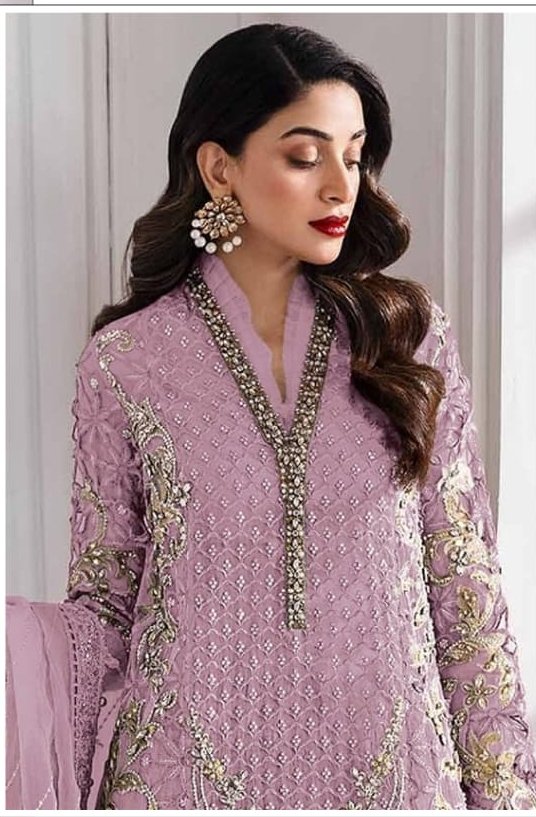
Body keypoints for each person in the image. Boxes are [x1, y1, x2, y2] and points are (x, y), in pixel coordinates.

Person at [6, 22, 536, 811]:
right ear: (219, 168)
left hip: (400, 785)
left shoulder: (407, 338)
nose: (341, 187)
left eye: (353, 155)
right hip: (181, 785)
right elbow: (105, 607)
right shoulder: (127, 363)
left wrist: (507, 798)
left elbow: (468, 598)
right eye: (305, 156)